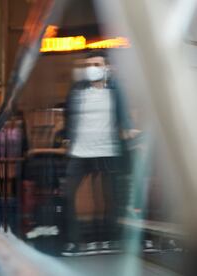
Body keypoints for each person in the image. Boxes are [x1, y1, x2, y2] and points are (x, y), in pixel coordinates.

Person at [62, 50, 135, 256]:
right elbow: (69, 114)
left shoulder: (115, 89)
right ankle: (74, 242)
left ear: (106, 67)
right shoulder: (77, 89)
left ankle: (109, 239)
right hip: (80, 151)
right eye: (88, 65)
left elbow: (123, 112)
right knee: (68, 194)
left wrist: (128, 128)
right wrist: (67, 137)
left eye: (96, 64)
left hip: (107, 150)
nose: (92, 68)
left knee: (109, 198)